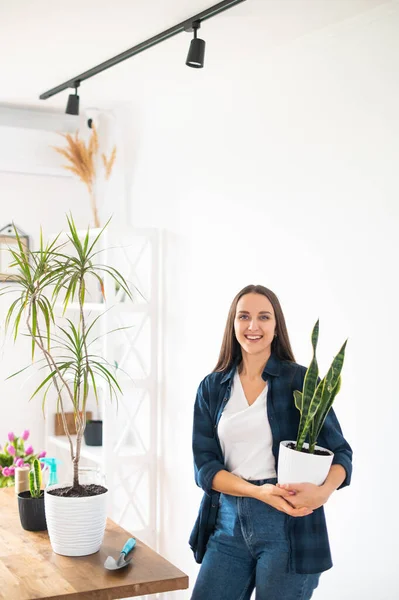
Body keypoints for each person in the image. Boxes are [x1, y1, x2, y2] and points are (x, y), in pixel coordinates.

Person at [189, 284, 352, 600]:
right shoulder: (212, 387)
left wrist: (322, 493)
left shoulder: (300, 380)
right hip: (226, 526)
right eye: (244, 316)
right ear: (233, 324)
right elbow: (205, 468)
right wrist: (255, 492)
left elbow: (341, 452)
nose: (253, 326)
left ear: (276, 327)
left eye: (264, 317)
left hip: (288, 528)